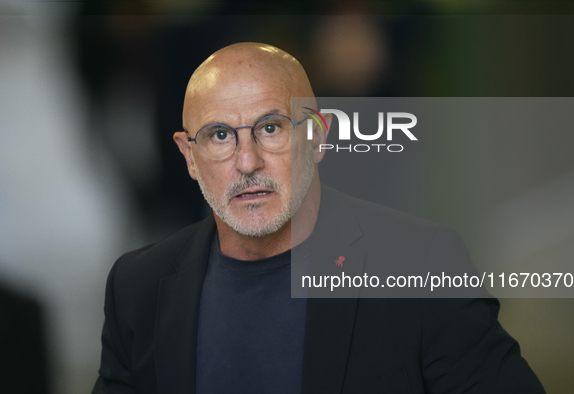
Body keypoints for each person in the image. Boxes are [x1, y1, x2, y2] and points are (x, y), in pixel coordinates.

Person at [93, 42, 545, 393]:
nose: (247, 161)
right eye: (219, 135)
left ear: (317, 136)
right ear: (189, 157)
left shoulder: (419, 264)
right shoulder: (139, 286)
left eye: (271, 127)